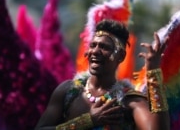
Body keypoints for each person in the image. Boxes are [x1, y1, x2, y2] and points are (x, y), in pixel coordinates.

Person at [35, 19, 170, 130]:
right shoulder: (68, 91)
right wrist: (88, 121)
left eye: (104, 47)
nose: (95, 51)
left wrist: (153, 72)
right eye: (93, 45)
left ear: (121, 56)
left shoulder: (130, 101)